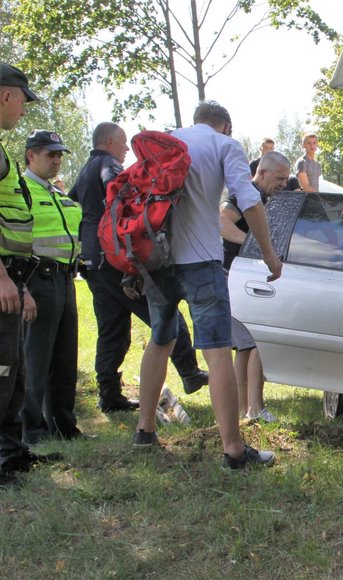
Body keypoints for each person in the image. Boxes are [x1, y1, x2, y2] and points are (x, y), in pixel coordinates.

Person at [134, 101, 282, 470]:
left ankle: (145, 430)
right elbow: (248, 200)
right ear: (226, 126)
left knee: (160, 338)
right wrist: (268, 254)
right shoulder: (223, 146)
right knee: (217, 352)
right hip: (201, 263)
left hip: (159, 260)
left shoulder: (167, 142)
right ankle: (233, 450)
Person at [70, 122, 209, 411]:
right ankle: (190, 372)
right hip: (115, 256)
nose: (124, 152)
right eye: (122, 145)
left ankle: (109, 395)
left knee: (112, 327)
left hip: (93, 261)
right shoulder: (108, 164)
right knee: (165, 313)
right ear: (109, 142)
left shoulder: (84, 170)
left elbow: (71, 201)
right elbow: (121, 192)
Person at [0, 62, 58, 484]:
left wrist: (20, 284)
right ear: (6, 95)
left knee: (12, 371)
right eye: (22, 99)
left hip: (13, 278)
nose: (23, 108)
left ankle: (12, 452)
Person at [20, 131, 86, 443]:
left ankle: (64, 426)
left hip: (64, 280)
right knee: (35, 359)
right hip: (36, 279)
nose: (57, 160)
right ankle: (30, 430)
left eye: (60, 154)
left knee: (64, 358)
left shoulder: (57, 194)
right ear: (31, 155)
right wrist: (22, 287)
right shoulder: (20, 191)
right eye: (50, 154)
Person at [220, 151, 290, 423]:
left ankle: (244, 409)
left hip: (237, 276)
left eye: (286, 178)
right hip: (229, 275)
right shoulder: (246, 193)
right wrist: (255, 244)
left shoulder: (260, 197)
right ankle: (256, 408)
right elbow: (221, 221)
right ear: (261, 174)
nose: (284, 183)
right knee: (256, 342)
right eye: (279, 178)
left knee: (246, 346)